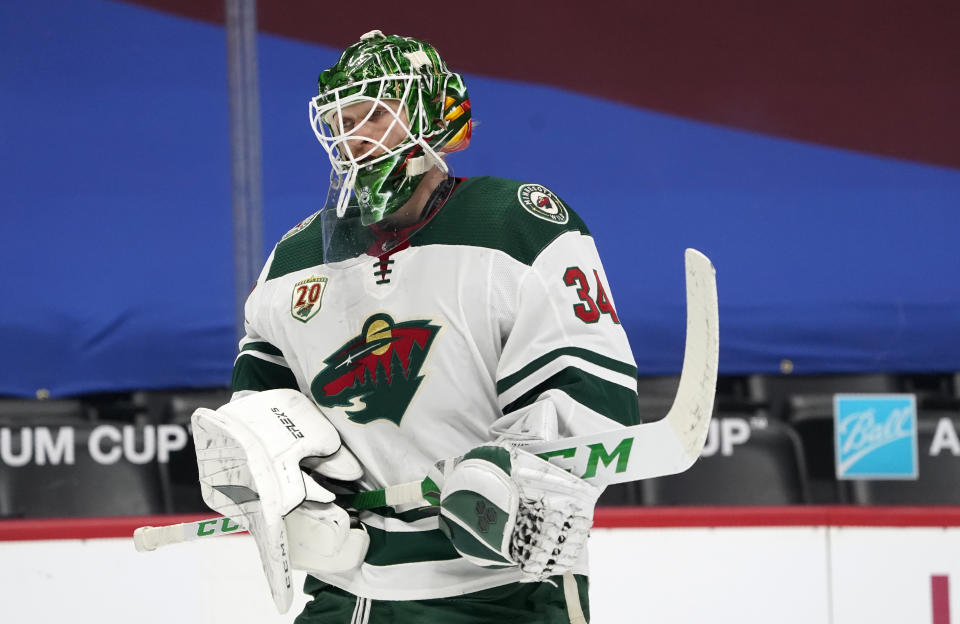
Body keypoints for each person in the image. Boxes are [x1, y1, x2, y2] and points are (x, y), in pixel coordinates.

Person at [211, 30, 640, 623]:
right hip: (350, 591)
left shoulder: (517, 223)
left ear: (432, 120)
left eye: (377, 115)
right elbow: (260, 408)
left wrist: (517, 476)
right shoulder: (295, 259)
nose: (355, 138)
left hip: (503, 591)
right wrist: (282, 485)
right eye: (342, 122)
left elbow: (593, 397)